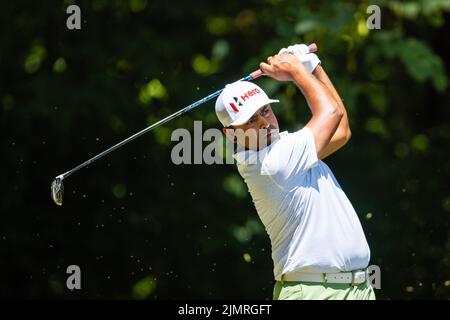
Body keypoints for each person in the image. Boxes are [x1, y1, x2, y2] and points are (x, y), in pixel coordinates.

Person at [214, 44, 375, 300]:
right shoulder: (274, 163)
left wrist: (312, 65)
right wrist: (298, 71)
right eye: (251, 120)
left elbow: (341, 129)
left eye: (265, 111)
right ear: (231, 133)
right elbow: (331, 112)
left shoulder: (287, 149)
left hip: (356, 288)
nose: (265, 123)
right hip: (313, 293)